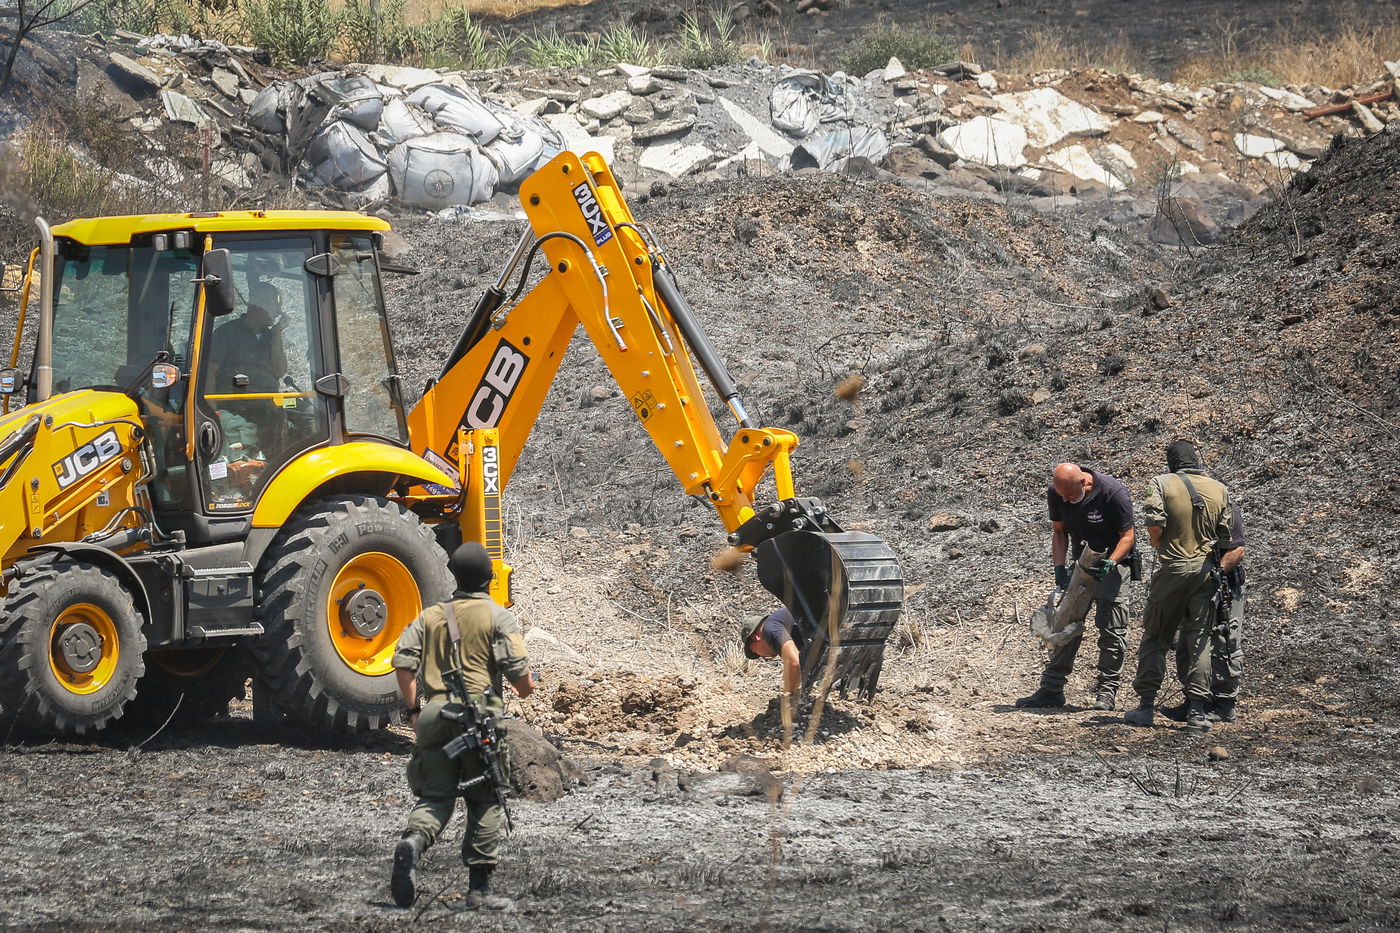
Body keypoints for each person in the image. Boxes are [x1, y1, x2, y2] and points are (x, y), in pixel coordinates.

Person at [389, 543, 534, 911]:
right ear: (489, 577)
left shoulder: (431, 616)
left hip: (435, 715)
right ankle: (479, 892)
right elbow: (522, 682)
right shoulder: (497, 616)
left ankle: (413, 843)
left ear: (454, 575)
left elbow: (402, 663)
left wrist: (413, 711)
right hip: (479, 716)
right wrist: (525, 686)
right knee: (485, 799)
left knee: (436, 796)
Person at [1124, 441, 1240, 732]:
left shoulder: (1161, 483)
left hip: (1173, 569)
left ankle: (1146, 706)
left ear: (1171, 461)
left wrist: (1159, 545)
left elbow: (1154, 525)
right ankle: (1198, 711)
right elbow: (1226, 538)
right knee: (1200, 639)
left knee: (1155, 637)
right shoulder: (1219, 488)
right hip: (1206, 572)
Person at [1016, 462, 1136, 711]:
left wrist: (1112, 563)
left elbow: (1128, 536)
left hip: (1113, 563)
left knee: (1111, 627)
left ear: (1084, 483)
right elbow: (1059, 531)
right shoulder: (1058, 493)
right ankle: (1051, 689)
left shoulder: (1113, 493)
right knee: (1065, 623)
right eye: (1063, 496)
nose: (1067, 501)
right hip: (1081, 563)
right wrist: (1059, 567)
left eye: (1070, 495)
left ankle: (1107, 692)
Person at [741, 606, 806, 701]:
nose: (762, 657)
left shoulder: (770, 627)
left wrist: (789, 696)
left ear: (755, 637)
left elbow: (794, 663)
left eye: (755, 652)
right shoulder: (780, 625)